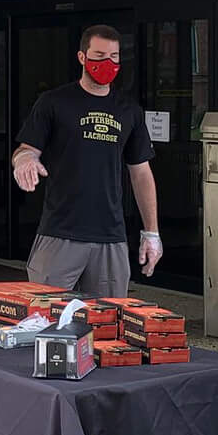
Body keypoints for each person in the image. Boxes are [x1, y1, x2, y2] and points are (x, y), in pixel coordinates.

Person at [12, 23, 162, 296]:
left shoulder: (129, 111)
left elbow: (141, 173)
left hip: (110, 236)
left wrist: (151, 232)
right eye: (99, 56)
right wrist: (24, 161)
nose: (107, 63)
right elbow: (27, 148)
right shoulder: (54, 102)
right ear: (82, 57)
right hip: (60, 231)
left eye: (114, 58)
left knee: (108, 321)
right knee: (43, 318)